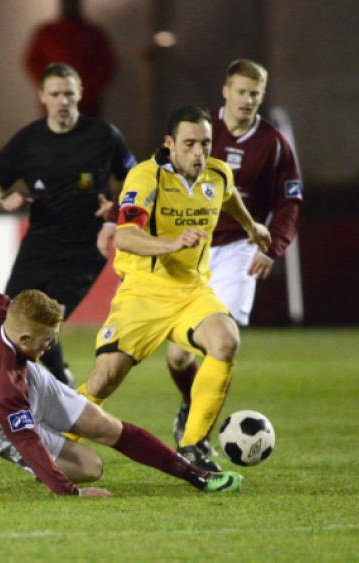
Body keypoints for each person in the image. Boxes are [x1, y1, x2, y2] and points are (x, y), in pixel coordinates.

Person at [0, 266, 243, 496]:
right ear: (24, 337)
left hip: (21, 377)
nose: (52, 347)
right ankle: (43, 471)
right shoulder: (6, 390)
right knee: (90, 468)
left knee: (104, 426)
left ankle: (196, 476)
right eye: (47, 341)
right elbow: (27, 441)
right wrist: (70, 492)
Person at [76, 106, 271, 472]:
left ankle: (193, 446)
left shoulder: (217, 173)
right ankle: (49, 442)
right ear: (169, 144)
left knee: (225, 341)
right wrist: (172, 243)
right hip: (144, 292)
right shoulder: (145, 178)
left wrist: (251, 225)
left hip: (192, 292)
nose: (199, 152)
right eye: (190, 144)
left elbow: (227, 195)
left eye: (206, 143)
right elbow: (127, 236)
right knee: (104, 379)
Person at [165, 60, 303, 452]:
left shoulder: (274, 144)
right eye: (241, 91)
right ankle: (191, 401)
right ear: (225, 91)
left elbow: (289, 201)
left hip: (239, 252)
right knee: (176, 356)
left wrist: (273, 247)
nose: (247, 100)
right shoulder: (200, 130)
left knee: (218, 344)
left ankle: (198, 435)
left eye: (255, 94)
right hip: (192, 248)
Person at [0, 62, 136, 386]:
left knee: (46, 318)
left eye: (68, 93)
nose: (62, 101)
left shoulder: (103, 136)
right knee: (12, 318)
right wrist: (2, 200)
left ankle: (55, 387)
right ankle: (57, 376)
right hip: (40, 241)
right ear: (42, 96)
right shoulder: (27, 141)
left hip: (86, 246)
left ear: (80, 93)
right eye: (55, 94)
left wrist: (116, 208)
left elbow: (134, 180)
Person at [24, 0, 117, 117]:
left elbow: (106, 64)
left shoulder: (92, 33)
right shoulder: (47, 32)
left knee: (86, 133)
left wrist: (88, 90)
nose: (69, 5)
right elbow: (32, 62)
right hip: (55, 102)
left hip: (86, 104)